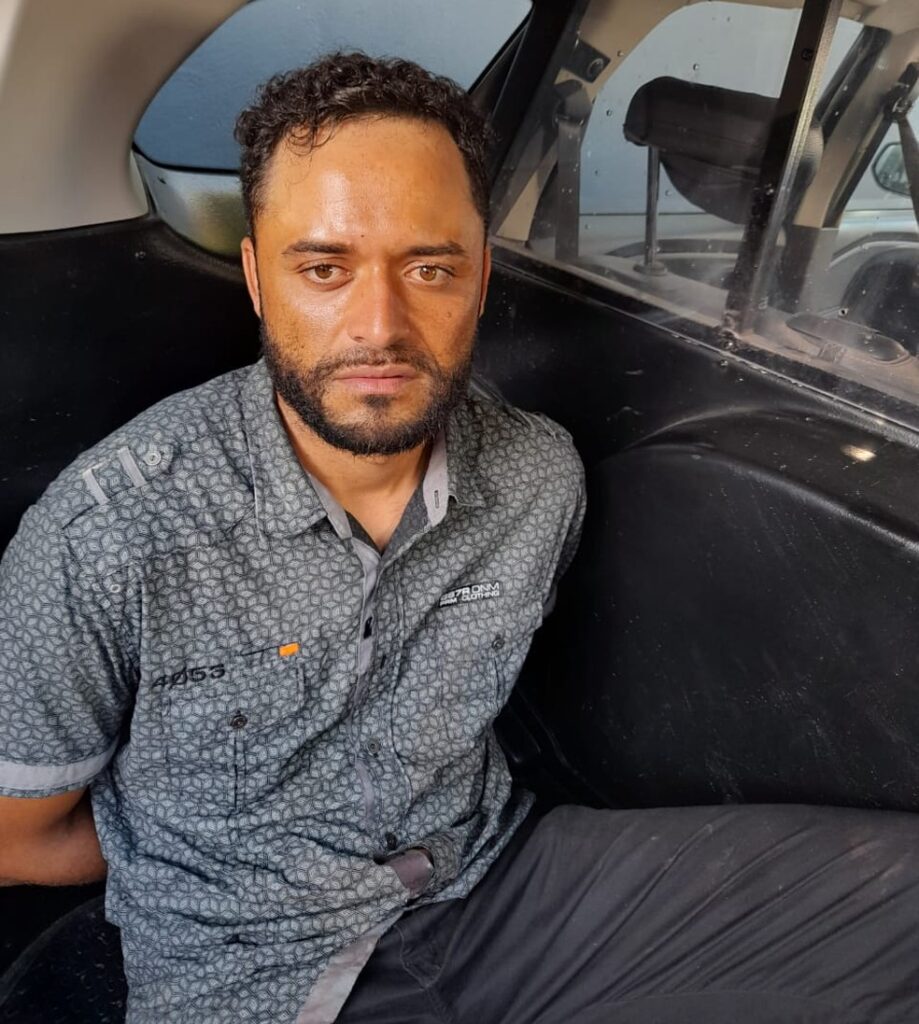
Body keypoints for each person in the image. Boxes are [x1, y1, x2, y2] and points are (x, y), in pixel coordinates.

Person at [1, 52, 918, 1024]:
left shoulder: (536, 479)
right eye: (324, 268)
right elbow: (18, 840)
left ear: (480, 277)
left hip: (499, 886)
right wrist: (193, 854)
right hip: (251, 969)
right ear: (258, 278)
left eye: (429, 267)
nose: (379, 325)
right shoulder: (111, 533)